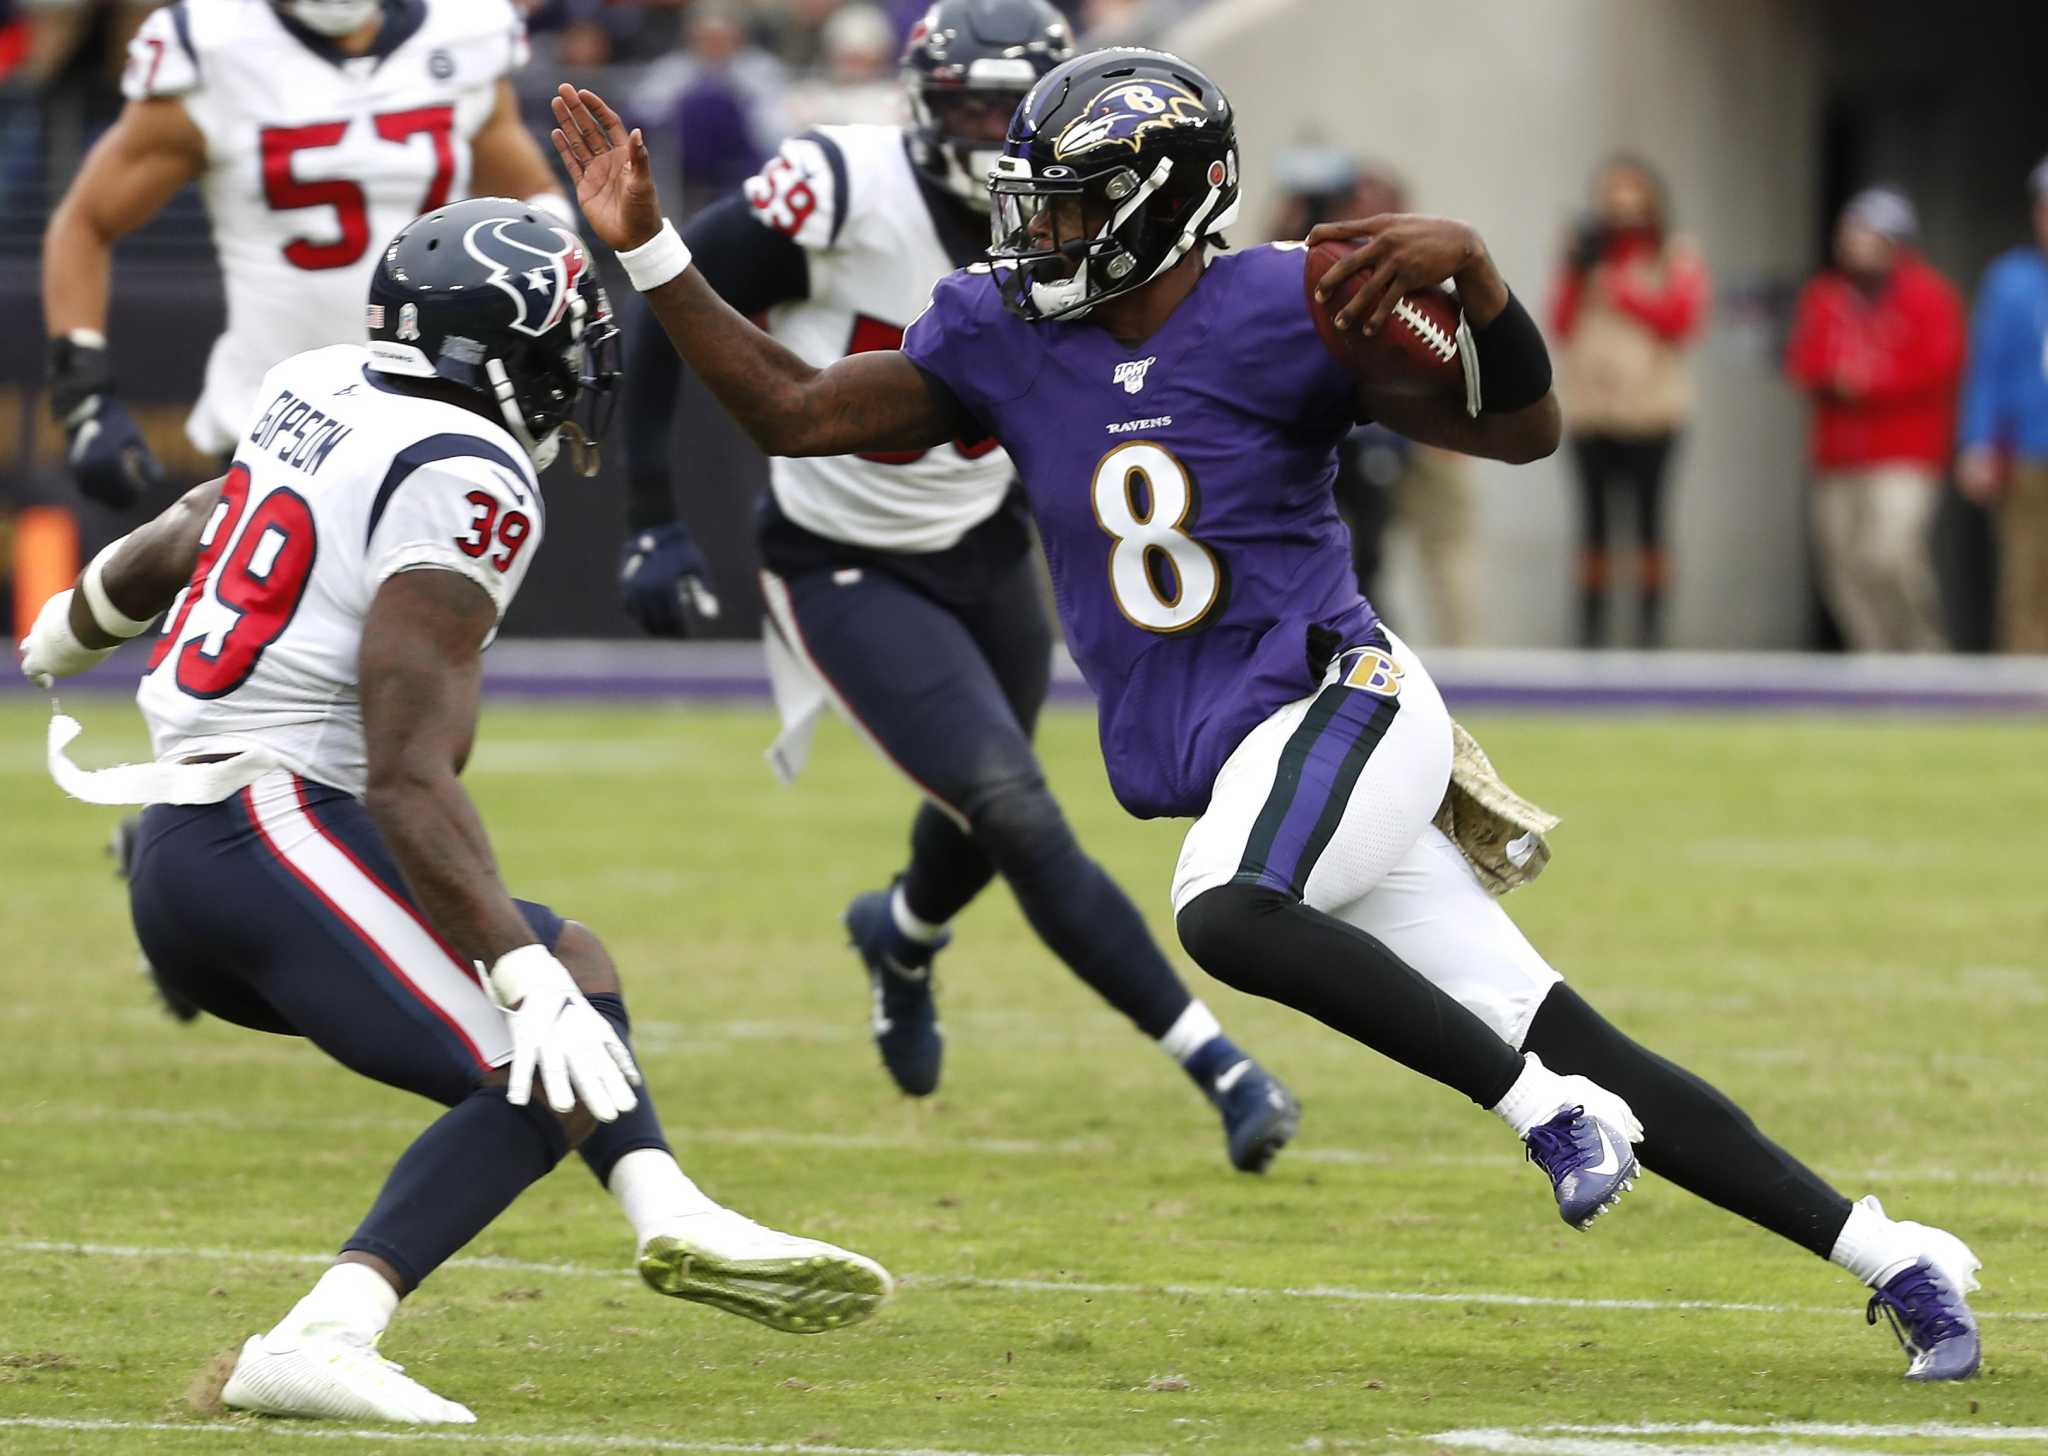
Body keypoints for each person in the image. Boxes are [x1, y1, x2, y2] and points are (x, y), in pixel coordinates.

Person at [551, 51, 1984, 1380]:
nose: (1036, 238)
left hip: (1340, 701)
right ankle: (1894, 1256)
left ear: (1160, 209)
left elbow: (1521, 425)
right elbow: (798, 410)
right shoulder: (1000, 335)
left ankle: (1545, 1114)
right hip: (1246, 751)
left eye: (1069, 212)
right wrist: (654, 250)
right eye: (1032, 210)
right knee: (1558, 1024)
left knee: (1230, 911)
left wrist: (1479, 283)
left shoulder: (1294, 303)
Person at [16, 199, 890, 1426]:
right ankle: (321, 1332)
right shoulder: (466, 471)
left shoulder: (322, 379)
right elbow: (407, 773)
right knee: (535, 1046)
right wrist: (515, 973)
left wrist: (79, 618)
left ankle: (669, 1209)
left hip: (209, 836)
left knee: (580, 967)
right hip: (268, 832)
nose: (575, 374)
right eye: (559, 346)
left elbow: (195, 522)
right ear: (497, 351)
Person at [616, 0, 1299, 1174]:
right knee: (1015, 802)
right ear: (920, 104)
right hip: (842, 554)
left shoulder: (1094, 211)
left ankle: (901, 933)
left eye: (1008, 105)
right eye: (969, 105)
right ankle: (1214, 1059)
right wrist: (648, 516)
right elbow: (673, 302)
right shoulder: (840, 181)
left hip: (982, 541)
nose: (991, 134)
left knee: (981, 816)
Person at [42, 0, 572, 512]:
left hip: (436, 421)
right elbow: (86, 222)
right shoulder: (215, 47)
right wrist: (83, 393)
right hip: (276, 430)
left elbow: (530, 198)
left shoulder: (461, 31)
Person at [1784, 187, 1965, 652]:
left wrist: (1869, 382)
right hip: (1837, 452)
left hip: (1904, 449)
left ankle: (1922, 647)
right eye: (1851, 235)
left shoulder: (1929, 295)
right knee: (1839, 563)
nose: (1856, 245)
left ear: (1896, 243)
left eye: (1869, 236)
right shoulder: (1825, 295)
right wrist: (1833, 376)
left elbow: (1939, 366)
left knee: (1890, 553)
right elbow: (1801, 360)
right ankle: (1872, 656)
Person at [1550, 155, 1708, 648]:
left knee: (1649, 521)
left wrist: (1618, 288)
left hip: (1652, 409)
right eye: (1612, 194)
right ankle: (1591, 633)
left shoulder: (1674, 253)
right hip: (1591, 409)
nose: (1622, 206)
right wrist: (1579, 269)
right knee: (1593, 524)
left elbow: (1681, 320)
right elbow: (1559, 321)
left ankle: (1650, 634)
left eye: (1632, 193)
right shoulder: (1585, 254)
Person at [1957, 156, 2048, 653]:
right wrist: (1978, 442)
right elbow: (1988, 368)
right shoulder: (2011, 280)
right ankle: (2027, 685)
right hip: (2029, 450)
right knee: (2026, 574)